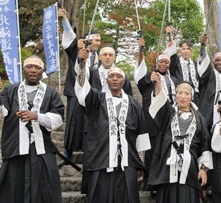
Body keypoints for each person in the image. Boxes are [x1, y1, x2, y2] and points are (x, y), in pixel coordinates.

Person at [75, 49, 150, 203]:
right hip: (101, 159)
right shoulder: (96, 99)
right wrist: (82, 65)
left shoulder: (134, 104)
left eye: (119, 76)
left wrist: (140, 164)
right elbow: (82, 90)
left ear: (124, 81)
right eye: (111, 76)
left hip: (127, 162)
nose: (115, 79)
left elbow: (142, 135)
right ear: (106, 80)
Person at [0, 56, 64, 202]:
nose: (33, 70)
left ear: (43, 72)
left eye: (37, 68)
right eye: (29, 67)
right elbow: (3, 111)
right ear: (23, 69)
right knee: (13, 189)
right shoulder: (10, 90)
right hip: (16, 147)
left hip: (41, 148)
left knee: (44, 188)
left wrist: (37, 116)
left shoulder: (50, 92)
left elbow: (58, 119)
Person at [148, 71, 212, 203]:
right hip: (167, 168)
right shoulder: (168, 113)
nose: (182, 97)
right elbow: (161, 101)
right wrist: (159, 83)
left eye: (187, 93)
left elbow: (204, 145)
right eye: (179, 93)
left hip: (190, 170)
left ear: (191, 97)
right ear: (175, 95)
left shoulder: (199, 119)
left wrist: (203, 169)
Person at [134, 37, 178, 195]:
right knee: (151, 151)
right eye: (161, 62)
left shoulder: (174, 80)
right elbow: (139, 70)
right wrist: (141, 50)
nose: (163, 65)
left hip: (170, 119)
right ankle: (151, 182)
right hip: (152, 121)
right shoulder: (148, 79)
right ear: (157, 64)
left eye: (166, 62)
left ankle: (164, 180)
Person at [58, 8, 101, 166]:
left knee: (90, 122)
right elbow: (69, 36)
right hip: (75, 92)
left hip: (93, 94)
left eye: (99, 40)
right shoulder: (77, 50)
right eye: (95, 39)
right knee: (73, 122)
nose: (98, 42)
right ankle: (67, 152)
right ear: (87, 40)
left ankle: (88, 150)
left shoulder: (100, 57)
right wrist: (64, 20)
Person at [163, 26, 199, 104]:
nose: (185, 51)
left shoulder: (195, 64)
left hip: (194, 95)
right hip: (179, 95)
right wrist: (169, 36)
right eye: (183, 49)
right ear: (180, 50)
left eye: (188, 49)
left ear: (191, 50)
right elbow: (171, 50)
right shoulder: (175, 62)